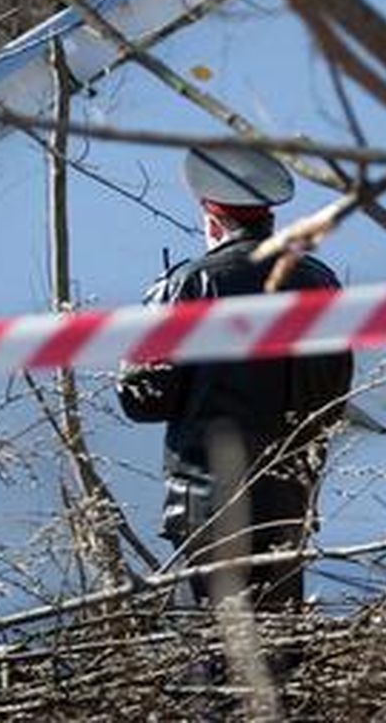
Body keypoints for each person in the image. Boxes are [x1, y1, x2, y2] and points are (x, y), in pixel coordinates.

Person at [119, 145, 354, 610]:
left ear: (212, 221)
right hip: (290, 493)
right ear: (270, 220)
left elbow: (140, 402)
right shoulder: (320, 282)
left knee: (217, 645)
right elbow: (335, 397)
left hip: (208, 503)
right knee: (277, 635)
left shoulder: (184, 287)